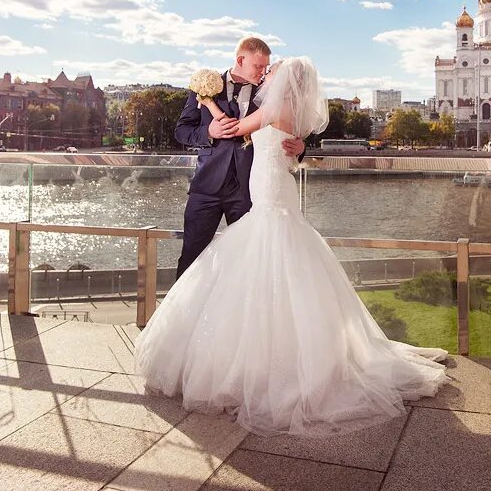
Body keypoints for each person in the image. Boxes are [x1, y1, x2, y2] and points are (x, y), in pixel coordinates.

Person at [137, 56, 447, 436]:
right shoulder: (292, 108)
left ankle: (252, 358)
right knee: (264, 263)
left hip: (265, 192)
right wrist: (209, 107)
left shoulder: (271, 106)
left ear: (285, 79)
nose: (267, 73)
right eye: (263, 67)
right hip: (257, 188)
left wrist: (209, 103)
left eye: (273, 70)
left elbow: (237, 130)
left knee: (255, 260)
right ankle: (270, 352)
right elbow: (240, 136)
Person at [172, 37, 304, 279]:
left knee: (247, 263)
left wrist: (300, 147)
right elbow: (181, 131)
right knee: (192, 257)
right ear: (240, 60)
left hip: (248, 193)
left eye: (267, 68)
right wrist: (207, 132)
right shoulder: (205, 87)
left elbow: (285, 133)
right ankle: (182, 316)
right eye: (258, 67)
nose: (263, 73)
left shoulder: (271, 94)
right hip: (206, 189)